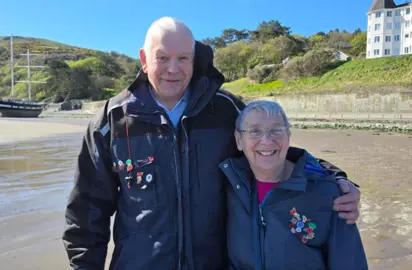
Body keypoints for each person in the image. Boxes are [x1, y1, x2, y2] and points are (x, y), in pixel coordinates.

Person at [62, 17, 361, 270]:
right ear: (143, 59)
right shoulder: (111, 122)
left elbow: (268, 149)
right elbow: (86, 213)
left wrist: (332, 176)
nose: (173, 69)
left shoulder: (225, 111)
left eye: (183, 58)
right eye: (162, 58)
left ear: (194, 58)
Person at [219, 100, 368, 269]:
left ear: (288, 136)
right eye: (254, 131)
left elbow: (350, 263)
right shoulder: (227, 183)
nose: (267, 141)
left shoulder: (329, 194)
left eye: (276, 131)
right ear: (239, 140)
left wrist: (338, 177)